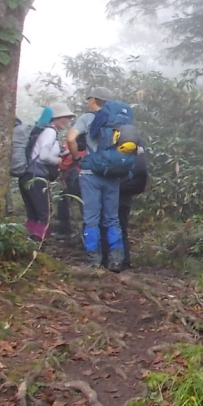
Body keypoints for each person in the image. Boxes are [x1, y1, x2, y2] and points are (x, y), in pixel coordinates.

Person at [67, 87, 126, 272]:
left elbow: (70, 139)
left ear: (93, 100)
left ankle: (94, 261)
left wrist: (77, 158)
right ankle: (116, 260)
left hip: (90, 174)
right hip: (113, 175)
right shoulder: (119, 120)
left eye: (88, 99)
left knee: (91, 218)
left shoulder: (87, 118)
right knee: (112, 219)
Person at [18, 103, 75, 241]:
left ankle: (27, 243)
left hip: (26, 176)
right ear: (55, 118)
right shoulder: (50, 131)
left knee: (33, 215)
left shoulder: (44, 131)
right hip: (36, 177)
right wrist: (58, 162)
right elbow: (43, 156)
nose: (66, 121)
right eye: (64, 117)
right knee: (44, 215)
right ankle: (38, 244)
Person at [103, 138, 149, 271]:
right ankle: (123, 260)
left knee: (111, 225)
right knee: (121, 226)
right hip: (125, 195)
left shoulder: (122, 151)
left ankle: (113, 259)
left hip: (117, 193)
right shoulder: (139, 153)